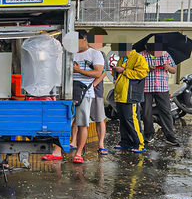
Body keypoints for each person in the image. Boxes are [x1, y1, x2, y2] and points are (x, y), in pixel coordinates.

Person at [43, 30, 104, 163]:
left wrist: (78, 70)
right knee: (62, 122)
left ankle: (79, 153)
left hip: (85, 93)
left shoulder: (95, 53)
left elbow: (98, 73)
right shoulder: (68, 53)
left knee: (82, 124)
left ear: (84, 39)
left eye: (76, 41)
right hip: (66, 93)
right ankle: (57, 151)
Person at [139, 43, 179, 146]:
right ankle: (149, 134)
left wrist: (168, 67)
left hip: (162, 88)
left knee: (166, 111)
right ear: (147, 47)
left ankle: (170, 136)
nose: (155, 52)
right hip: (146, 88)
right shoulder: (141, 55)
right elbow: (136, 70)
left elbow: (174, 70)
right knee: (146, 113)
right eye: (152, 50)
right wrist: (147, 68)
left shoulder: (165, 54)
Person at [112, 44, 149, 152]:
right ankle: (125, 142)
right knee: (123, 119)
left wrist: (123, 70)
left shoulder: (138, 58)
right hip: (121, 94)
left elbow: (142, 73)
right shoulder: (122, 59)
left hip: (130, 94)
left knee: (131, 119)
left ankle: (139, 144)